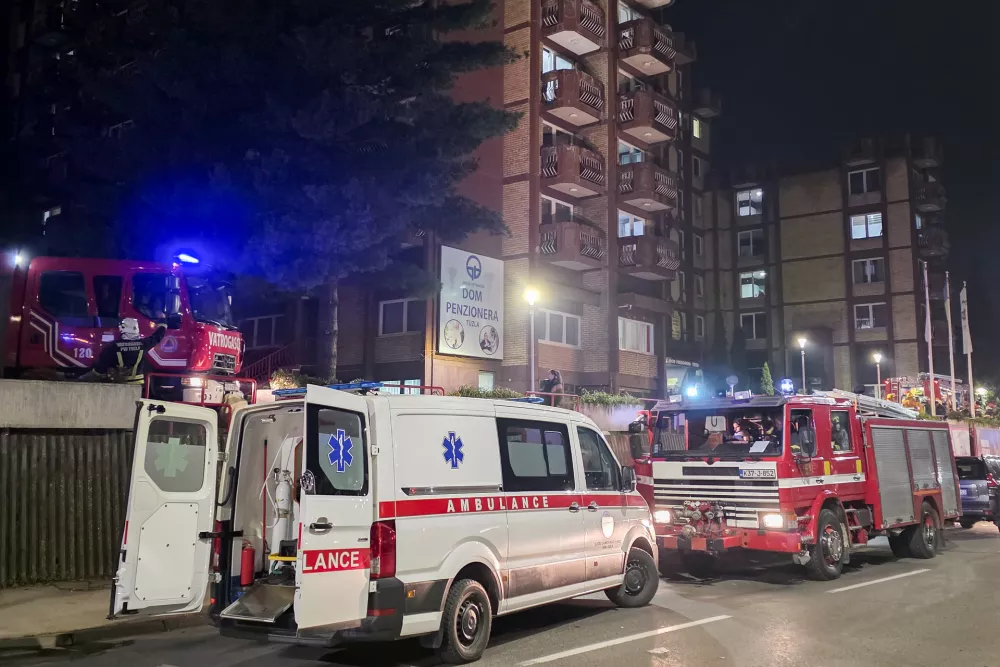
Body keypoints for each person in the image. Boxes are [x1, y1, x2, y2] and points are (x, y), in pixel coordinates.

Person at [88, 317, 167, 385]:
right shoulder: (144, 344)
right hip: (137, 384)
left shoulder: (113, 346)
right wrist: (163, 321)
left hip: (119, 384)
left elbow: (100, 368)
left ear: (122, 329)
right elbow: (157, 336)